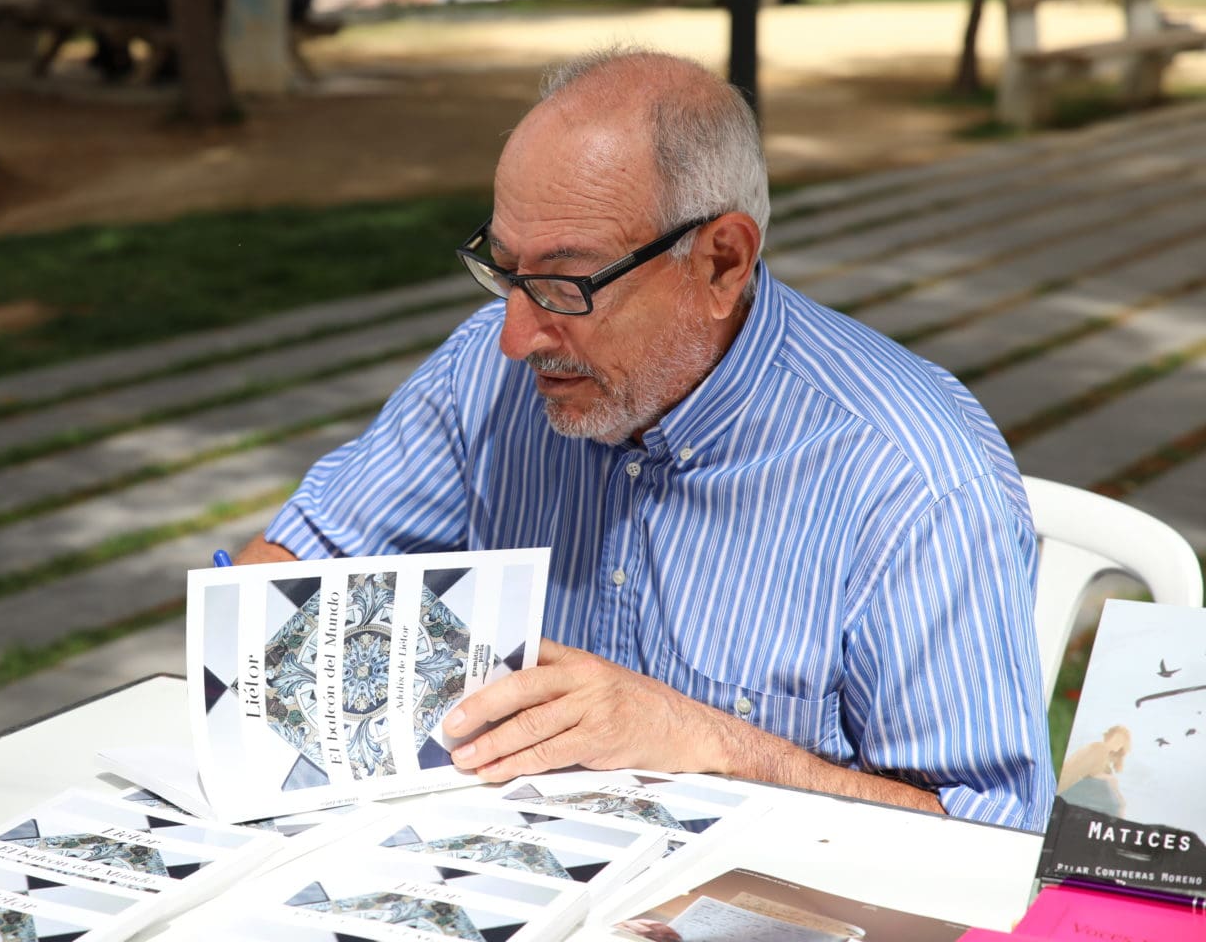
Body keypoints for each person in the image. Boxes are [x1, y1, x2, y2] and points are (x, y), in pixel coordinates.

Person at [236, 48, 1055, 832]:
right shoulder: (484, 379)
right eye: (505, 269)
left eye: (566, 283)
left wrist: (711, 745)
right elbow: (283, 574)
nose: (515, 338)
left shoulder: (914, 480)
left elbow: (995, 834)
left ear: (722, 262)